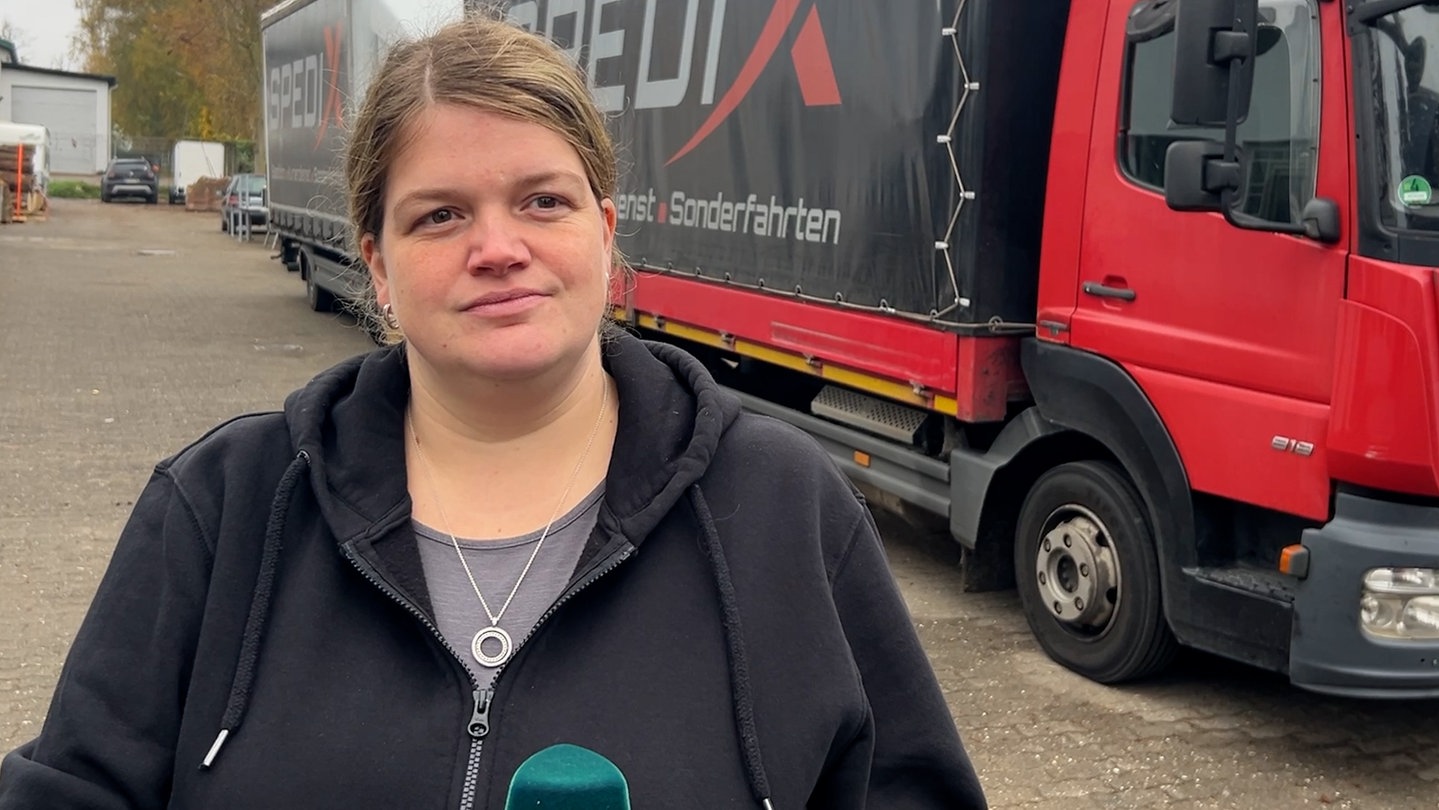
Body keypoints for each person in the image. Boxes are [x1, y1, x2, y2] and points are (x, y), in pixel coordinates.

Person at [0, 14, 987, 809]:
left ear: (606, 233)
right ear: (378, 265)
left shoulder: (783, 508)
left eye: (544, 202)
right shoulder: (222, 509)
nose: (499, 248)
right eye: (440, 215)